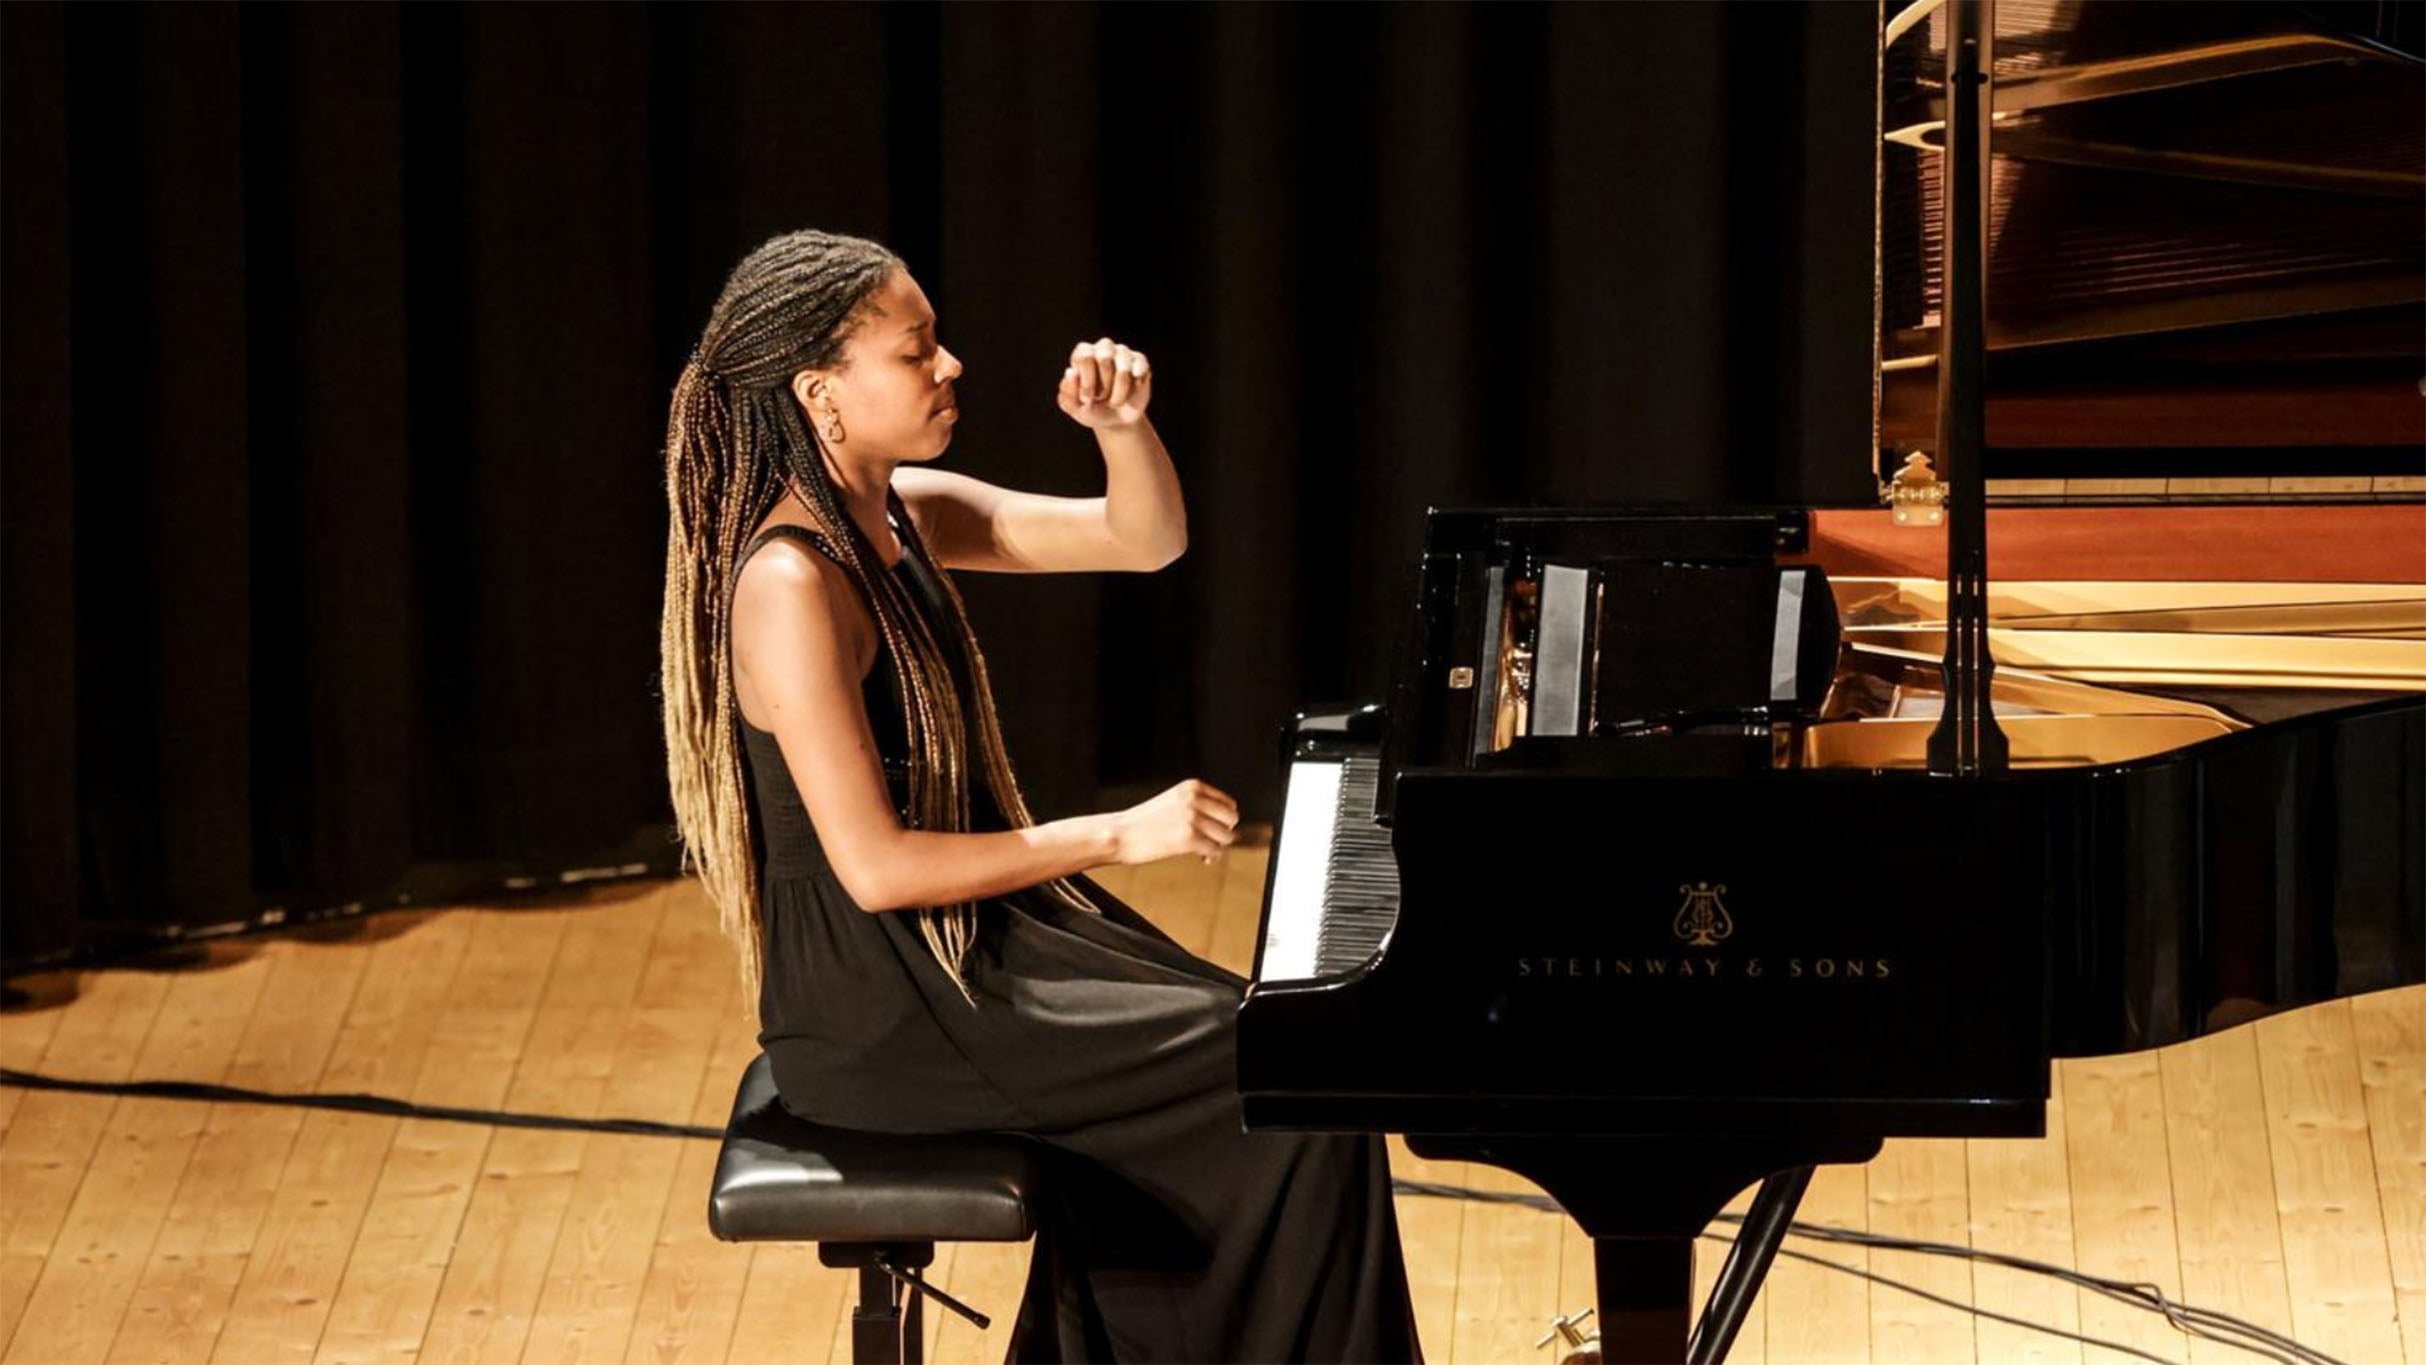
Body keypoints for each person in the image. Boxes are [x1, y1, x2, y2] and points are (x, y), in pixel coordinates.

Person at [659, 229, 1422, 1363]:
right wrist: (1115, 833)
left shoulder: (903, 510)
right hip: (889, 1006)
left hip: (970, 952)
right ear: (821, 393)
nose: (950, 364)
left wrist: (1121, 428)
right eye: (914, 351)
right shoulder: (786, 582)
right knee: (1284, 1082)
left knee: (1286, 1069)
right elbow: (876, 869)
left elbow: (1144, 539)